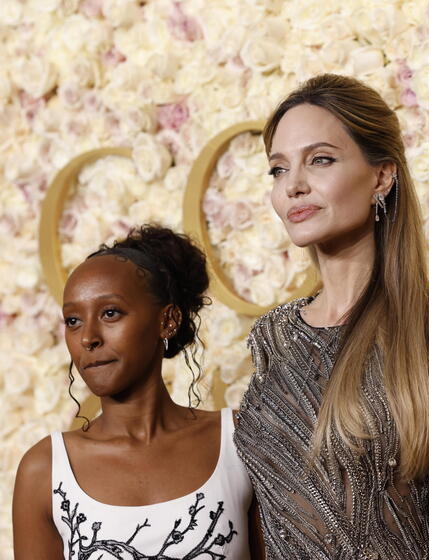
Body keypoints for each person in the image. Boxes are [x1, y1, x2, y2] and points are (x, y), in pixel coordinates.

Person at [233, 74, 429, 559]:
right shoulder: (273, 336)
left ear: (382, 177)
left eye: (320, 160)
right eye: (278, 170)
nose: (294, 186)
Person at [13, 225, 256, 559]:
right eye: (73, 321)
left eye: (110, 313)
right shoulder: (45, 470)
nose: (88, 338)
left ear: (167, 321)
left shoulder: (240, 441)